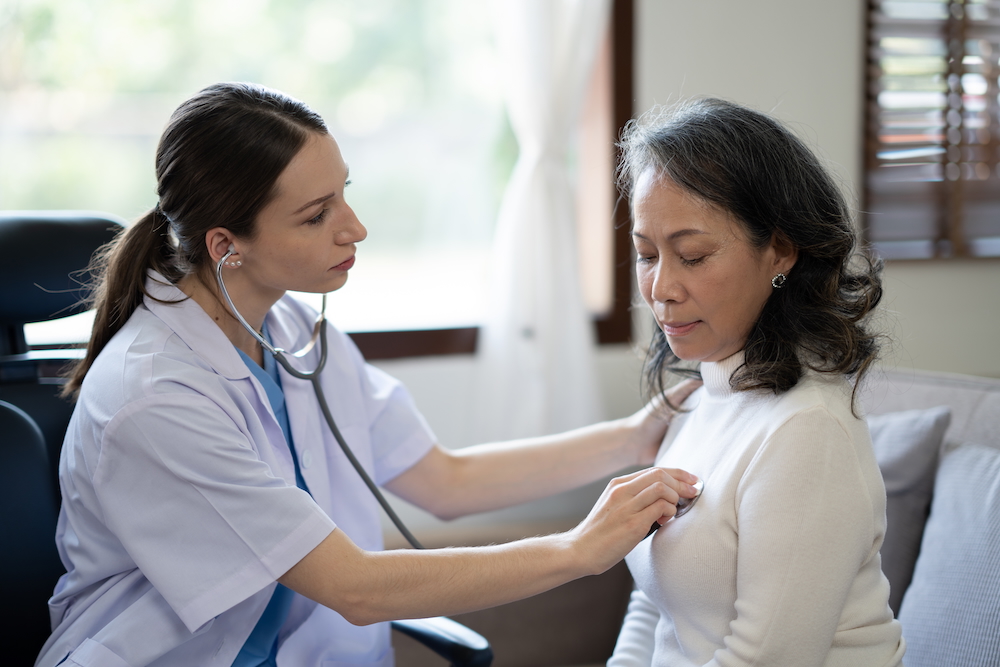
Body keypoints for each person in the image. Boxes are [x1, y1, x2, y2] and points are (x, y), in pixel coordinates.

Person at [34, 82, 700, 667]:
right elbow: (354, 587)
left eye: (343, 195)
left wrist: (636, 435)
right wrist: (579, 549)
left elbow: (445, 480)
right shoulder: (153, 397)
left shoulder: (294, 332)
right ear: (225, 244)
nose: (355, 228)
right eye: (316, 214)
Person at [607, 98, 905, 667]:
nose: (661, 288)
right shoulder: (704, 399)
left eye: (692, 256)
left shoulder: (807, 431)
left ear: (782, 250)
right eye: (647, 254)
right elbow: (655, 604)